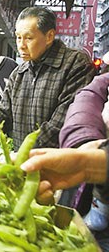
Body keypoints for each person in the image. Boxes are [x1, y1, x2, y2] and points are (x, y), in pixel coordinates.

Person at [0, 6, 96, 150]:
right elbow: (2, 111)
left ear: (49, 36)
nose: (21, 46)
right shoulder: (20, 73)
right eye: (18, 37)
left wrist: (24, 153)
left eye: (28, 38)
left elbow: (62, 122)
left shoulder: (74, 64)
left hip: (55, 165)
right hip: (22, 161)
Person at [59, 72, 109, 233]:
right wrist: (84, 141)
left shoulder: (74, 64)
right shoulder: (100, 85)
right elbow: (85, 102)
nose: (21, 45)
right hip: (92, 186)